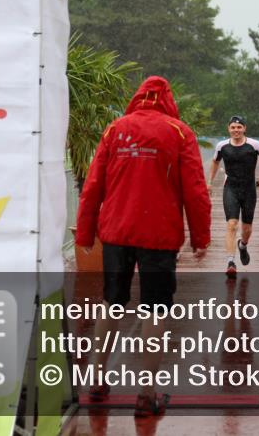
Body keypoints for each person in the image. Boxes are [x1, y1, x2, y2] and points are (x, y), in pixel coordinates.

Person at [75, 76, 211, 417]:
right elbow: (195, 189)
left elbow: (93, 186)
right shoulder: (179, 132)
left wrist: (84, 233)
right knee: (156, 308)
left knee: (111, 302)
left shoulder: (114, 130)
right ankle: (147, 392)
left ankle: (96, 378)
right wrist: (200, 237)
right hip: (159, 235)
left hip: (116, 232)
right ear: (167, 99)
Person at [208, 115, 259, 278]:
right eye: (233, 128)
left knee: (247, 228)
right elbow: (215, 162)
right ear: (228, 129)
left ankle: (243, 245)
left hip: (249, 189)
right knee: (231, 224)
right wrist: (209, 182)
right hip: (230, 188)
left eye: (239, 127)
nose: (236, 130)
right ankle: (231, 262)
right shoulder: (222, 146)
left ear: (244, 128)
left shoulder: (254, 145)